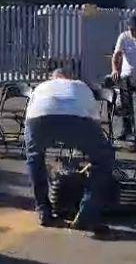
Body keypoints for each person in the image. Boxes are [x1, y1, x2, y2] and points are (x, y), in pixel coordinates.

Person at [25, 68, 115, 233]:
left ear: (53, 78)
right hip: (77, 118)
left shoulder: (41, 87)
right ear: (70, 77)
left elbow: (29, 117)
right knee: (104, 159)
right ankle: (87, 214)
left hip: (38, 118)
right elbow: (95, 121)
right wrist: (89, 146)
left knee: (34, 159)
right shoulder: (80, 86)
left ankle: (43, 211)